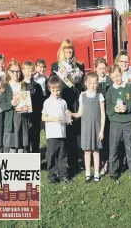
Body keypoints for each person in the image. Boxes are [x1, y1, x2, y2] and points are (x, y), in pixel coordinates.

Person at [50, 39, 85, 175]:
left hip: (75, 103)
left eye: (71, 49)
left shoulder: (79, 66)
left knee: (75, 135)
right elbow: (51, 84)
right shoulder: (55, 66)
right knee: (63, 135)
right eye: (67, 49)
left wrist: (76, 81)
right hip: (61, 103)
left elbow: (83, 86)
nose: (69, 51)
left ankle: (75, 163)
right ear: (62, 51)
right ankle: (62, 165)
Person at [106, 64, 131, 182]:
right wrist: (113, 109)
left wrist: (127, 108)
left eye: (117, 75)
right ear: (111, 78)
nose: (116, 78)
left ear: (121, 73)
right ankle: (113, 171)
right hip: (115, 123)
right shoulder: (110, 90)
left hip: (127, 122)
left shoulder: (129, 87)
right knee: (113, 147)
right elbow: (107, 107)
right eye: (113, 77)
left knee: (130, 147)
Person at [71, 72, 105, 182]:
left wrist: (101, 131)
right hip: (86, 128)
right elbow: (80, 113)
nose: (93, 85)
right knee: (87, 152)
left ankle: (96, 173)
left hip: (96, 128)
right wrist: (71, 114)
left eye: (95, 83)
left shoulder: (100, 96)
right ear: (86, 83)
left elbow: (103, 114)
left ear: (98, 84)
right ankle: (87, 174)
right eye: (90, 83)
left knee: (96, 151)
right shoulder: (82, 95)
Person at [42, 76, 70, 183]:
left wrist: (68, 118)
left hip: (62, 133)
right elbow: (43, 117)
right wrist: (53, 118)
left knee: (62, 155)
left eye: (57, 90)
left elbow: (66, 114)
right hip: (52, 134)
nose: (56, 92)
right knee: (52, 155)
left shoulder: (63, 102)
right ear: (49, 89)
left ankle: (63, 175)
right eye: (53, 90)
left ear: (61, 89)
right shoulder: (47, 102)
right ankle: (52, 176)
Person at [0, 59, 29, 153]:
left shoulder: (24, 85)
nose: (16, 73)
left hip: (22, 119)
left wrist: (26, 105)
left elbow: (28, 104)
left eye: (18, 71)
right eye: (13, 71)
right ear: (8, 72)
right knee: (12, 147)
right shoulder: (5, 86)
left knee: (21, 147)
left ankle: (20, 166)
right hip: (11, 121)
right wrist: (11, 104)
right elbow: (2, 105)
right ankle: (11, 167)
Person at [95, 57, 113, 176]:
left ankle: (107, 162)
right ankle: (98, 162)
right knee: (97, 139)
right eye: (100, 68)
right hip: (95, 115)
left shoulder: (109, 81)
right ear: (95, 68)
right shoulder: (92, 81)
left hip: (107, 114)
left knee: (106, 139)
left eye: (104, 68)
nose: (102, 70)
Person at [21, 60, 43, 153]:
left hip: (35, 118)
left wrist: (41, 118)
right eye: (27, 70)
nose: (29, 73)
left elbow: (41, 103)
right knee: (25, 142)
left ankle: (35, 164)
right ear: (23, 71)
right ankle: (26, 164)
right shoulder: (21, 85)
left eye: (31, 71)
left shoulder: (37, 86)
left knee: (35, 142)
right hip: (25, 118)